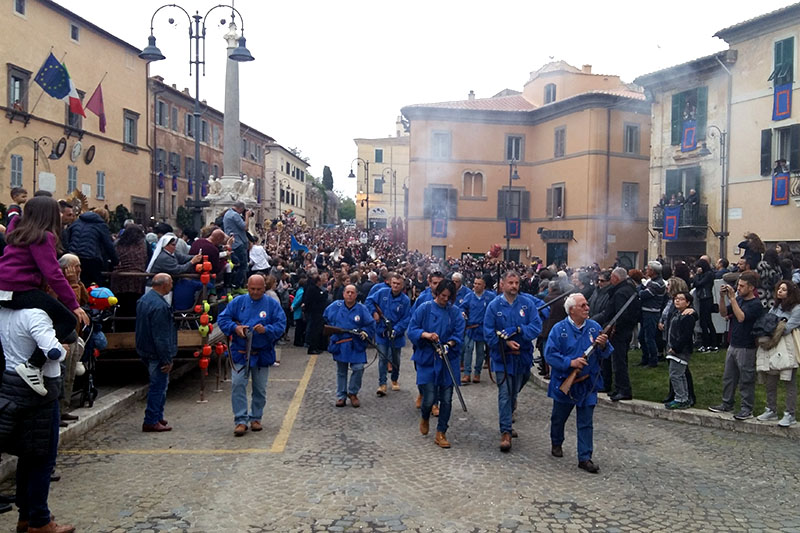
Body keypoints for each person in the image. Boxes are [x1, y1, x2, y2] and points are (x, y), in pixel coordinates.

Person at [0, 196, 88, 395]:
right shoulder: (43, 236)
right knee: (66, 319)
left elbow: (13, 219)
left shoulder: (17, 231)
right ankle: (32, 365)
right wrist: (74, 305)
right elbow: (53, 273)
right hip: (19, 288)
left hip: (4, 288)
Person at [0, 301, 74, 533]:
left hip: (12, 385)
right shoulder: (36, 314)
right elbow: (51, 351)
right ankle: (40, 520)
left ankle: (26, 515)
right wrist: (62, 349)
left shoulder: (3, 313)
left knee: (27, 455)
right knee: (42, 459)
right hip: (39, 392)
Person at [544, 293, 612, 474]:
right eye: (583, 305)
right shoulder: (559, 329)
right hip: (565, 383)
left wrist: (603, 344)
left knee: (586, 422)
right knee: (558, 418)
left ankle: (585, 457)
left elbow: (606, 353)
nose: (587, 308)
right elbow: (550, 355)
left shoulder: (594, 327)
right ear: (571, 309)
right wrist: (570, 363)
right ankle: (556, 442)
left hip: (587, 384)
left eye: (587, 305)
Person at [217, 274, 286, 436]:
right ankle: (240, 420)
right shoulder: (238, 302)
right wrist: (235, 328)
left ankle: (256, 417)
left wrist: (267, 330)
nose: (255, 292)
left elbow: (281, 325)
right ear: (248, 287)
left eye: (259, 289)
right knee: (237, 385)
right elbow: (223, 319)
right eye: (252, 289)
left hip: (262, 353)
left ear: (264, 288)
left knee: (260, 388)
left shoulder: (271, 304)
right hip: (241, 353)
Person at [484, 270, 543, 452]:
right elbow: (488, 331)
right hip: (503, 358)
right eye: (510, 283)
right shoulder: (494, 306)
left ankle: (508, 416)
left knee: (514, 390)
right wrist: (505, 342)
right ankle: (506, 432)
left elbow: (536, 326)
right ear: (503, 284)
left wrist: (519, 330)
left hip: (523, 357)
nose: (514, 286)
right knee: (505, 393)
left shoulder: (528, 304)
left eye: (516, 283)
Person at [408, 279, 465, 448]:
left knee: (446, 399)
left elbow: (459, 335)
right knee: (429, 397)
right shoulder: (424, 308)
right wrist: (425, 335)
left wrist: (449, 345)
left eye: (448, 297)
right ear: (436, 293)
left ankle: (441, 432)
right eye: (442, 296)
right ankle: (425, 416)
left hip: (448, 360)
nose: (445, 299)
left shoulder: (455, 313)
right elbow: (412, 329)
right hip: (427, 358)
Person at [709, 271, 764, 420]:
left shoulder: (755, 304)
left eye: (742, 286)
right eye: (738, 285)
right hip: (733, 343)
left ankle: (747, 408)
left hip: (747, 346)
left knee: (746, 379)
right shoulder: (738, 299)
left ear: (751, 287)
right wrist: (722, 297)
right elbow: (723, 313)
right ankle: (727, 403)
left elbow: (741, 317)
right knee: (729, 377)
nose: (738, 288)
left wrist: (732, 298)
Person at [135, 273, 176, 432]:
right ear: (164, 285)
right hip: (156, 353)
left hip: (145, 349)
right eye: (171, 282)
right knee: (158, 386)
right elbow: (161, 336)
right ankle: (151, 419)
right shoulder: (160, 306)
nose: (172, 285)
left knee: (160, 385)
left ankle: (157, 415)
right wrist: (167, 359)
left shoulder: (144, 300)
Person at [757, 280, 800, 427]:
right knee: (770, 380)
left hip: (787, 348)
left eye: (784, 289)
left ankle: (790, 413)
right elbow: (766, 323)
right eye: (779, 289)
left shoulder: (796, 308)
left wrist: (774, 326)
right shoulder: (775, 307)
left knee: (789, 381)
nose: (780, 291)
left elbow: (786, 328)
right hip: (772, 347)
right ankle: (771, 409)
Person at [324, 284, 376, 407]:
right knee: (341, 371)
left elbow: (370, 324)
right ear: (343, 294)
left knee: (358, 368)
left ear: (356, 294)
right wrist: (335, 328)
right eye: (347, 292)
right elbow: (325, 316)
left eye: (352, 292)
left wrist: (365, 332)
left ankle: (353, 393)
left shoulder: (362, 309)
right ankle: (341, 395)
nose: (350, 295)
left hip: (356, 343)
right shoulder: (336, 306)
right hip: (340, 343)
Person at [593, 267, 639, 401]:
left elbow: (621, 314)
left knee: (619, 362)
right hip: (623, 331)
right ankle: (612, 386)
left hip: (618, 332)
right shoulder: (629, 290)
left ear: (616, 278)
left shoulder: (620, 293)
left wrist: (613, 328)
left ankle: (623, 389)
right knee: (613, 360)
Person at [366, 273, 411, 395]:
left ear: (402, 286)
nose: (395, 286)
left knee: (395, 359)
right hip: (381, 333)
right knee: (382, 358)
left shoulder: (405, 300)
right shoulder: (382, 293)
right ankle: (382, 384)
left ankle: (394, 379)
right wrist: (374, 312)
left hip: (397, 335)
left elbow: (406, 318)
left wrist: (396, 330)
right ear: (390, 283)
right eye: (394, 283)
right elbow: (369, 301)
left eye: (398, 284)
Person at [63, 207, 118, 287]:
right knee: (93, 287)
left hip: (73, 257)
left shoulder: (77, 222)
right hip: (91, 259)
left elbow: (67, 238)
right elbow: (109, 246)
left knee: (74, 284)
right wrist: (115, 262)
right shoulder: (101, 225)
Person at [111, 225, 148, 330]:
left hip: (119, 280)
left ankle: (120, 332)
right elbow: (148, 258)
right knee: (134, 308)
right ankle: (133, 332)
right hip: (137, 279)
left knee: (120, 307)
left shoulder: (118, 243)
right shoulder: (143, 244)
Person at [460, 276, 496, 384]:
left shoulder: (490, 297)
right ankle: (467, 373)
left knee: (480, 352)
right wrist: (462, 312)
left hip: (482, 328)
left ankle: (477, 373)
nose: (476, 286)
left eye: (478, 284)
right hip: (471, 328)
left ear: (484, 285)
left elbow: (495, 309)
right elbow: (462, 307)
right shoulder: (469, 296)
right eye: (475, 283)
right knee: (468, 350)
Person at [665, 292, 697, 409]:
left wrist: (676, 348)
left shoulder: (688, 317)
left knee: (676, 374)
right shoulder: (676, 314)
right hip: (673, 347)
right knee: (680, 374)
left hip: (680, 350)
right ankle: (684, 397)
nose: (677, 301)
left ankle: (680, 398)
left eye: (681, 299)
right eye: (676, 299)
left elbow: (685, 336)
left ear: (688, 303)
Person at [638, 261, 666, 368]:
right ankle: (645, 358)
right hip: (647, 312)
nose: (646, 270)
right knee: (642, 337)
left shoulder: (656, 284)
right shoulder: (654, 282)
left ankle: (653, 360)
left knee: (649, 337)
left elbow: (643, 294)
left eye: (648, 268)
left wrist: (640, 287)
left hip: (651, 312)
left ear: (653, 271)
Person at [223, 202, 250, 288]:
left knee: (237, 265)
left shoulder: (227, 214)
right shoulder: (235, 215)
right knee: (243, 265)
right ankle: (237, 285)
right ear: (241, 209)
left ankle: (234, 284)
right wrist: (247, 216)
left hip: (232, 243)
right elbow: (245, 227)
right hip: (238, 243)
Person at [693, 258, 718, 352]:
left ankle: (709, 343)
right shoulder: (706, 274)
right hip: (704, 298)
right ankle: (708, 343)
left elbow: (698, 284)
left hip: (706, 298)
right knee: (705, 322)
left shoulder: (708, 275)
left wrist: (697, 275)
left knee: (706, 322)